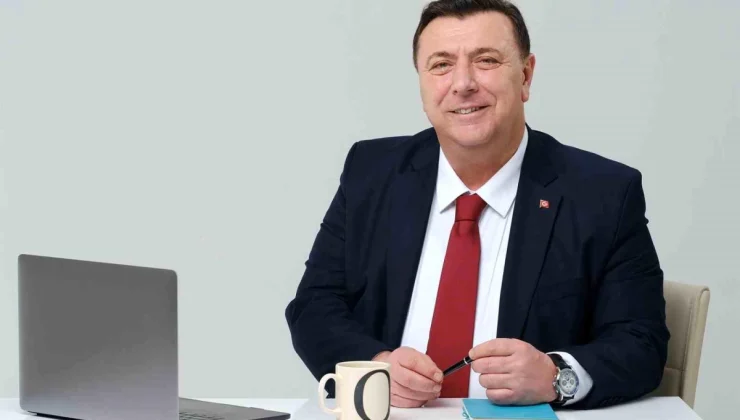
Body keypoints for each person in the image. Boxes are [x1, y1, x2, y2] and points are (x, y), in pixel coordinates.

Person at [285, 0, 669, 410]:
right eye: (441, 65)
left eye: (486, 60)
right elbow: (314, 305)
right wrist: (375, 367)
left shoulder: (603, 194)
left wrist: (556, 376)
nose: (463, 83)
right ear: (421, 83)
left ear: (525, 76)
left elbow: (641, 342)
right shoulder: (371, 173)